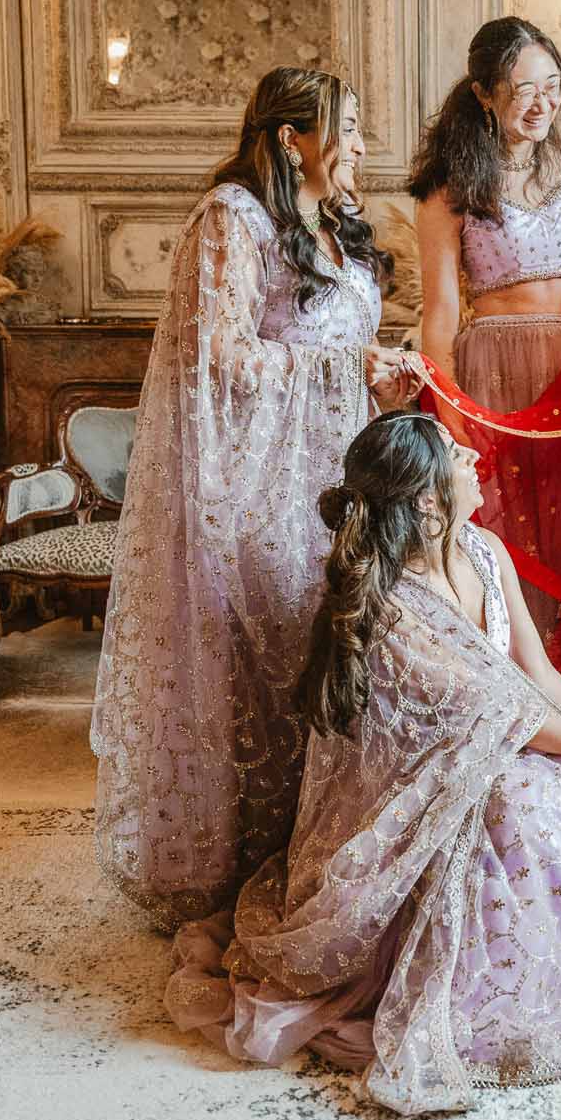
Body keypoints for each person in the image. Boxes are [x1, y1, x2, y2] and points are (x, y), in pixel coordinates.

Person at [166, 412, 561, 1116]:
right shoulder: (391, 603)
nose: (474, 455)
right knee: (520, 800)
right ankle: (482, 986)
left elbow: (533, 670)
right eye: (457, 452)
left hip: (503, 749)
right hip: (418, 786)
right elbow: (495, 719)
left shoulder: (484, 552)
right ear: (426, 499)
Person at [91, 67, 418, 927]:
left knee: (340, 657)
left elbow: (332, 344)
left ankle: (320, 855)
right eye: (346, 127)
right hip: (261, 489)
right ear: (289, 137)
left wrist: (381, 374)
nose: (360, 146)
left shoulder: (336, 225)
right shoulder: (232, 220)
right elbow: (221, 359)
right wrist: (349, 367)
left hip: (340, 481)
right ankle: (241, 869)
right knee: (267, 672)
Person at [409, 16, 561, 631]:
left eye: (553, 86)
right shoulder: (450, 189)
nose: (543, 104)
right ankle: (525, 699)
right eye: (523, 90)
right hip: (497, 375)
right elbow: (438, 315)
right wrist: (453, 410)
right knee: (514, 530)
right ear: (485, 94)